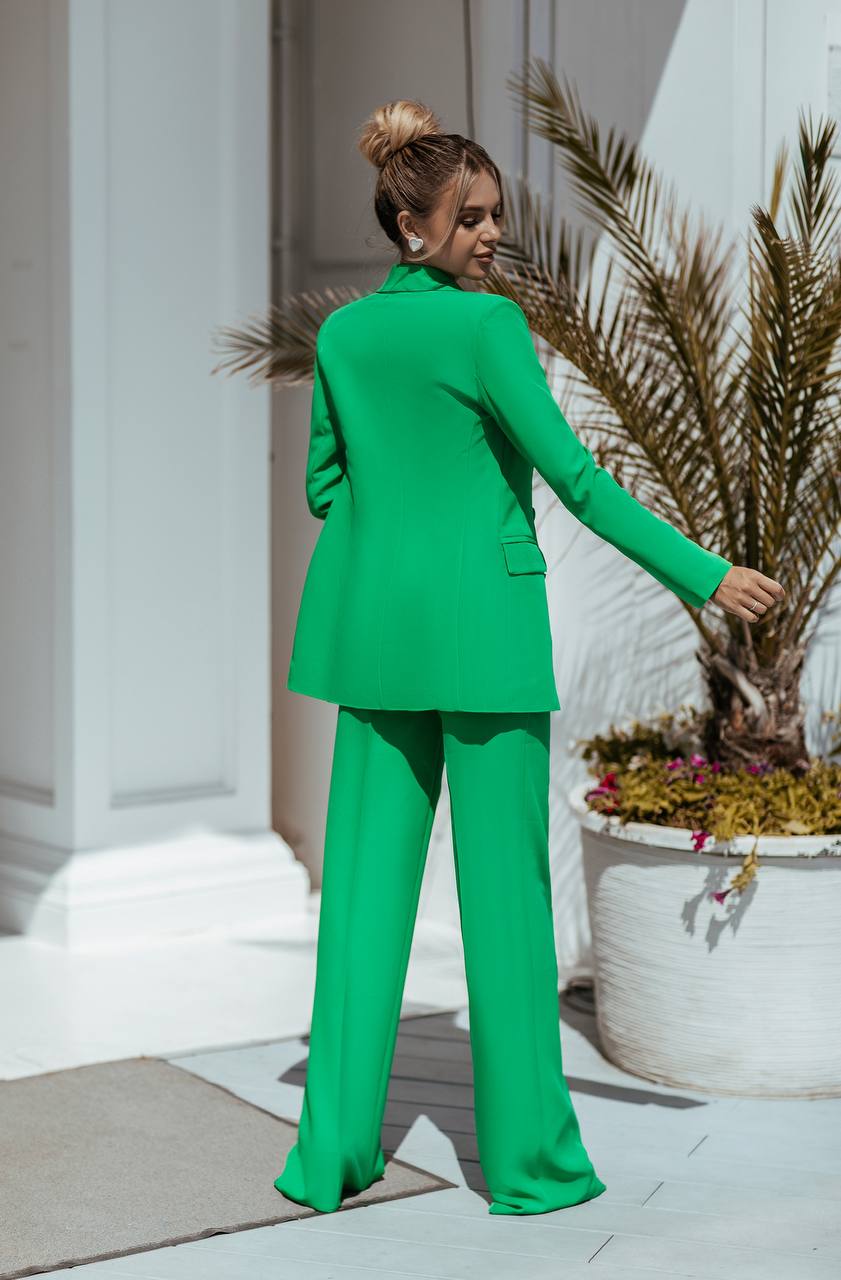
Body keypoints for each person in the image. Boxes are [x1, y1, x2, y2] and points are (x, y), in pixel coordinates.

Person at [274, 99, 786, 1217]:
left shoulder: (345, 338)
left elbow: (323, 487)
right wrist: (705, 574)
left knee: (359, 903)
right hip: (486, 636)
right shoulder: (489, 329)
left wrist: (400, 527)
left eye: (496, 213)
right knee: (504, 901)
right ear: (412, 227)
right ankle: (525, 1165)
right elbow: (579, 483)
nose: (492, 233)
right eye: (472, 218)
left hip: (374, 638)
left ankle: (329, 1158)